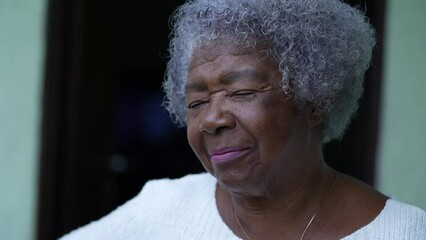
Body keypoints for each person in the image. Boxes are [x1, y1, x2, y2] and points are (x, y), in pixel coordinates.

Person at [59, 0, 426, 239]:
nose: (211, 119)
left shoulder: (403, 231)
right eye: (196, 101)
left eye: (242, 92)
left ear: (316, 100)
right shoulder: (162, 209)